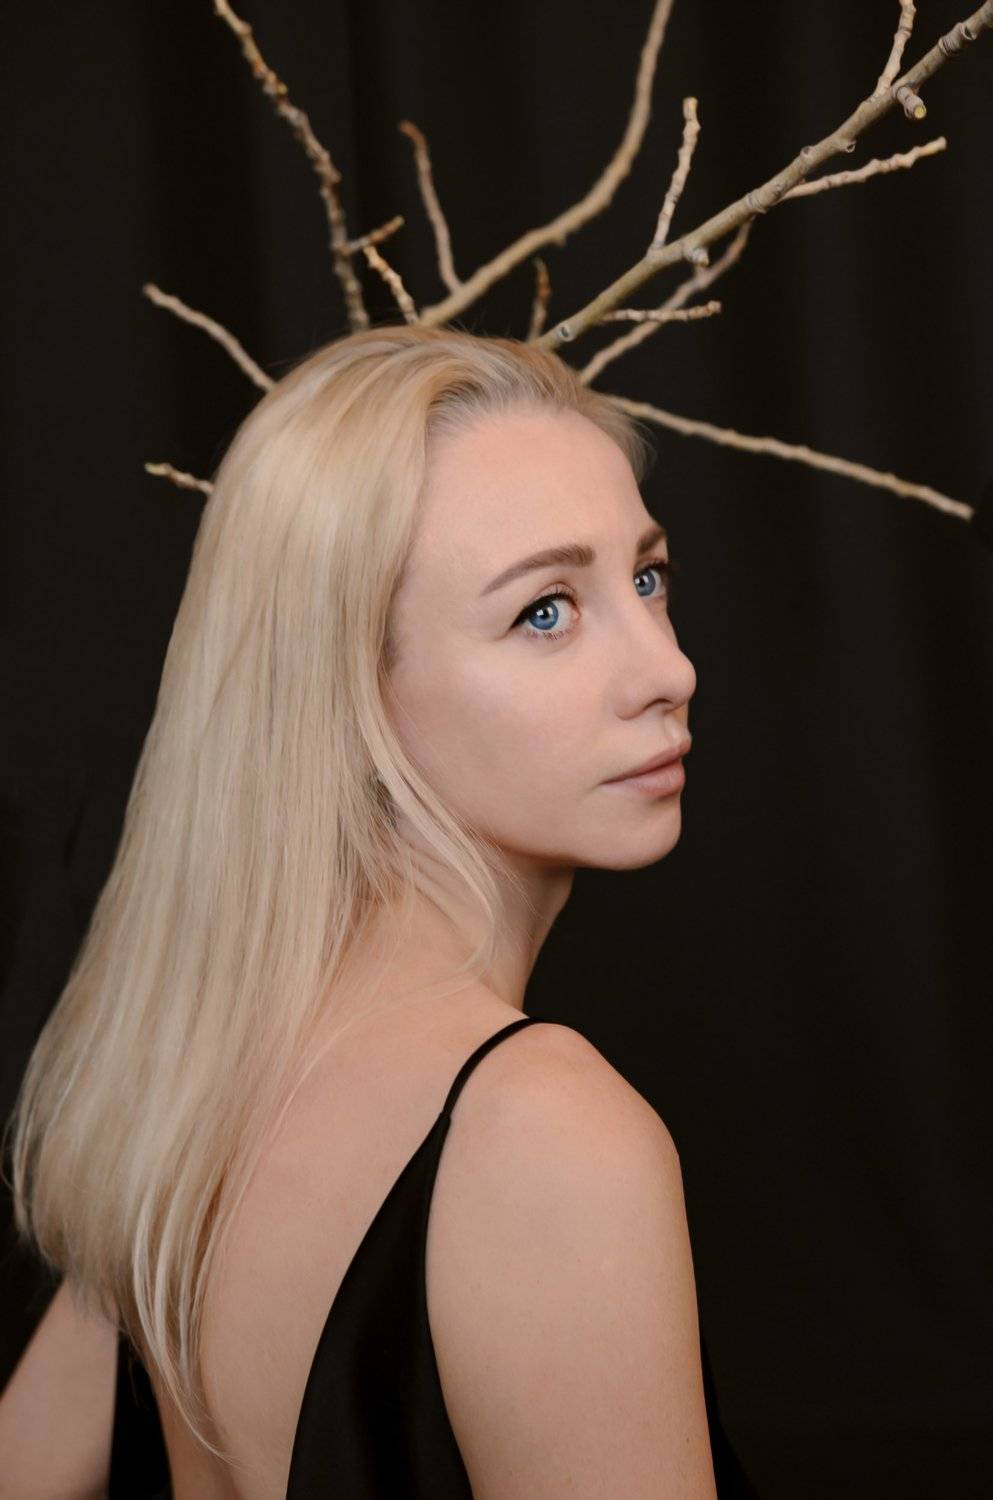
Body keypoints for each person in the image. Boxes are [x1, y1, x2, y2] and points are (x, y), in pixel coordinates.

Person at [1, 325, 726, 1497]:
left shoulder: (185, 1085)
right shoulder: (545, 1136)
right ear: (349, 691)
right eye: (546, 611)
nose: (668, 671)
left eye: (645, 578)